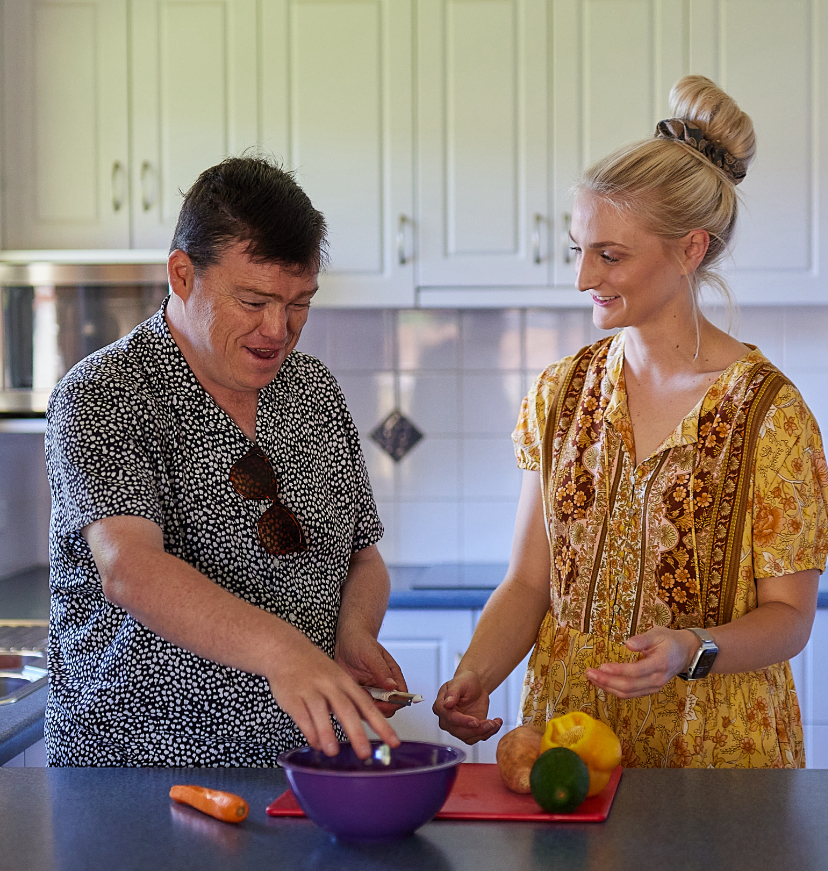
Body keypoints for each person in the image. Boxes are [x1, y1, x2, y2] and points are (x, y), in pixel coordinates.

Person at [433, 76, 828, 768]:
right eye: (577, 248)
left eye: (609, 254)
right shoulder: (561, 394)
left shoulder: (773, 414)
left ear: (690, 250)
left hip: (713, 752)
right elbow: (529, 584)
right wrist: (475, 673)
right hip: (569, 738)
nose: (583, 275)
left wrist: (693, 647)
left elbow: (790, 618)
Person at [45, 155, 407, 766]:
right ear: (183, 275)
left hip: (308, 765)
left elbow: (362, 556)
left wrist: (352, 633)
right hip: (143, 769)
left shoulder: (312, 390)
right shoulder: (107, 391)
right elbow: (131, 568)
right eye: (255, 300)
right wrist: (285, 652)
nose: (280, 329)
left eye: (299, 303)